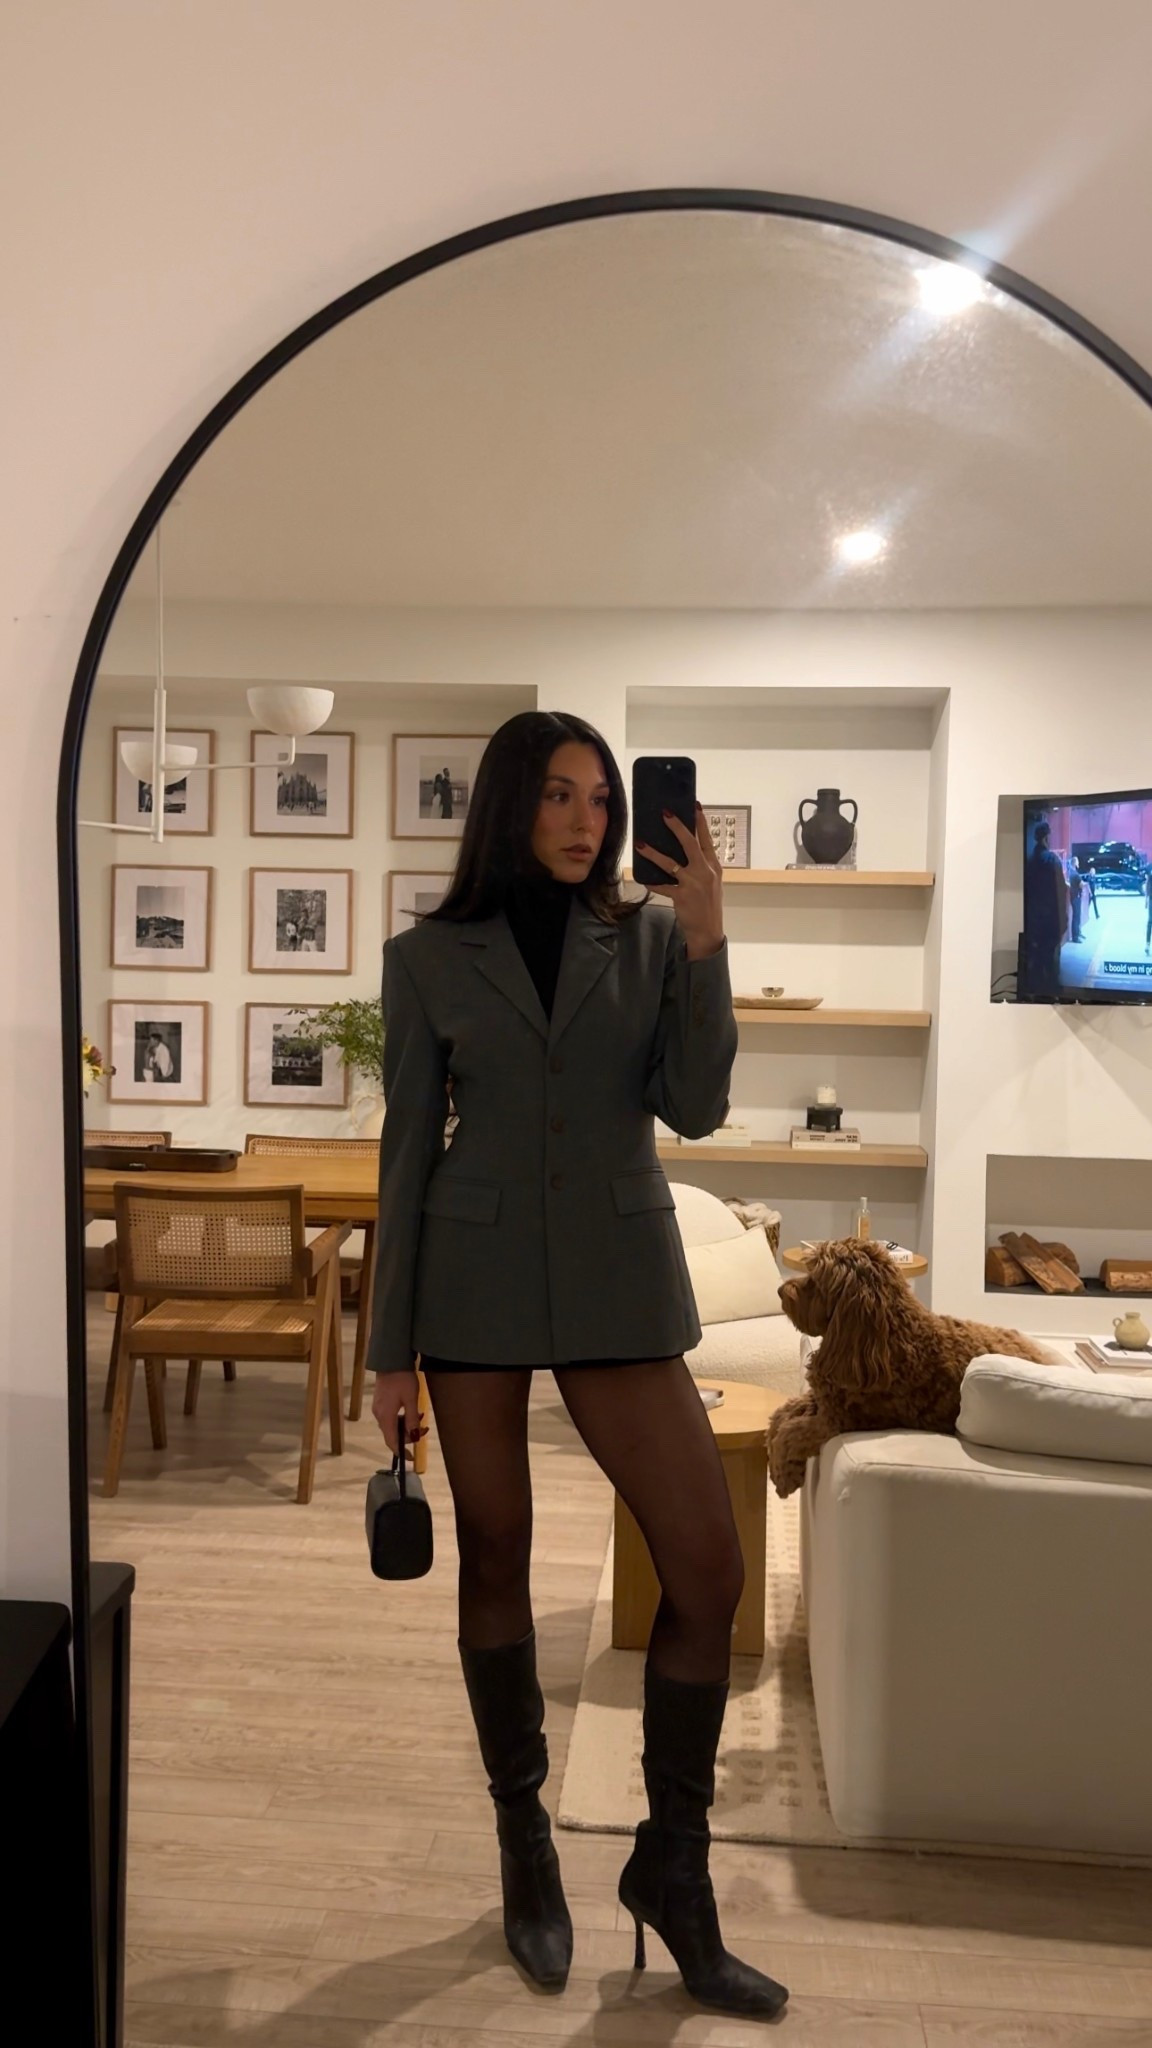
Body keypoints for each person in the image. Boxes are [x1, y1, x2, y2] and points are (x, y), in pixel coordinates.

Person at [367, 711, 788, 2019]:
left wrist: (708, 943)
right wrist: (387, 1352)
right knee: (494, 1548)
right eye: (559, 795)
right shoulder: (425, 958)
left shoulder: (651, 935)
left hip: (617, 1275)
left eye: (601, 797)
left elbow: (696, 1105)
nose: (586, 819)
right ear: (512, 804)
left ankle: (674, 1869)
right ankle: (525, 1842)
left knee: (707, 1565)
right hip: (473, 1275)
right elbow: (405, 1149)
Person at [1023, 818, 1068, 998]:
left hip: (1033, 921)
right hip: (1050, 921)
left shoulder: (1029, 861)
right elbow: (1060, 890)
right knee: (1051, 962)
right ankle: (1051, 994)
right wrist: (1063, 919)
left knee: (1037, 960)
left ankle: (1038, 994)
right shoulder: (1052, 860)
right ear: (1046, 838)